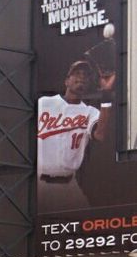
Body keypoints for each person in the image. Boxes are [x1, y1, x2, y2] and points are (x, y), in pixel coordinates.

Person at [37, 60, 115, 212]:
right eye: (77, 74)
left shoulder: (90, 112)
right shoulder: (44, 103)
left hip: (69, 184)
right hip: (39, 183)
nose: (82, 78)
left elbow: (99, 135)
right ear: (67, 81)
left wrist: (106, 95)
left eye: (86, 76)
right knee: (32, 230)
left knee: (86, 227)